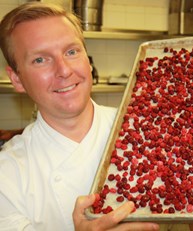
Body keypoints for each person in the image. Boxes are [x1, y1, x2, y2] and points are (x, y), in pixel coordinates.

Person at [0, 2, 160, 230]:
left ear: (87, 58)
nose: (64, 70)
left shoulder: (144, 131)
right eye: (40, 59)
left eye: (71, 52)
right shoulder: (7, 174)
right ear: (16, 79)